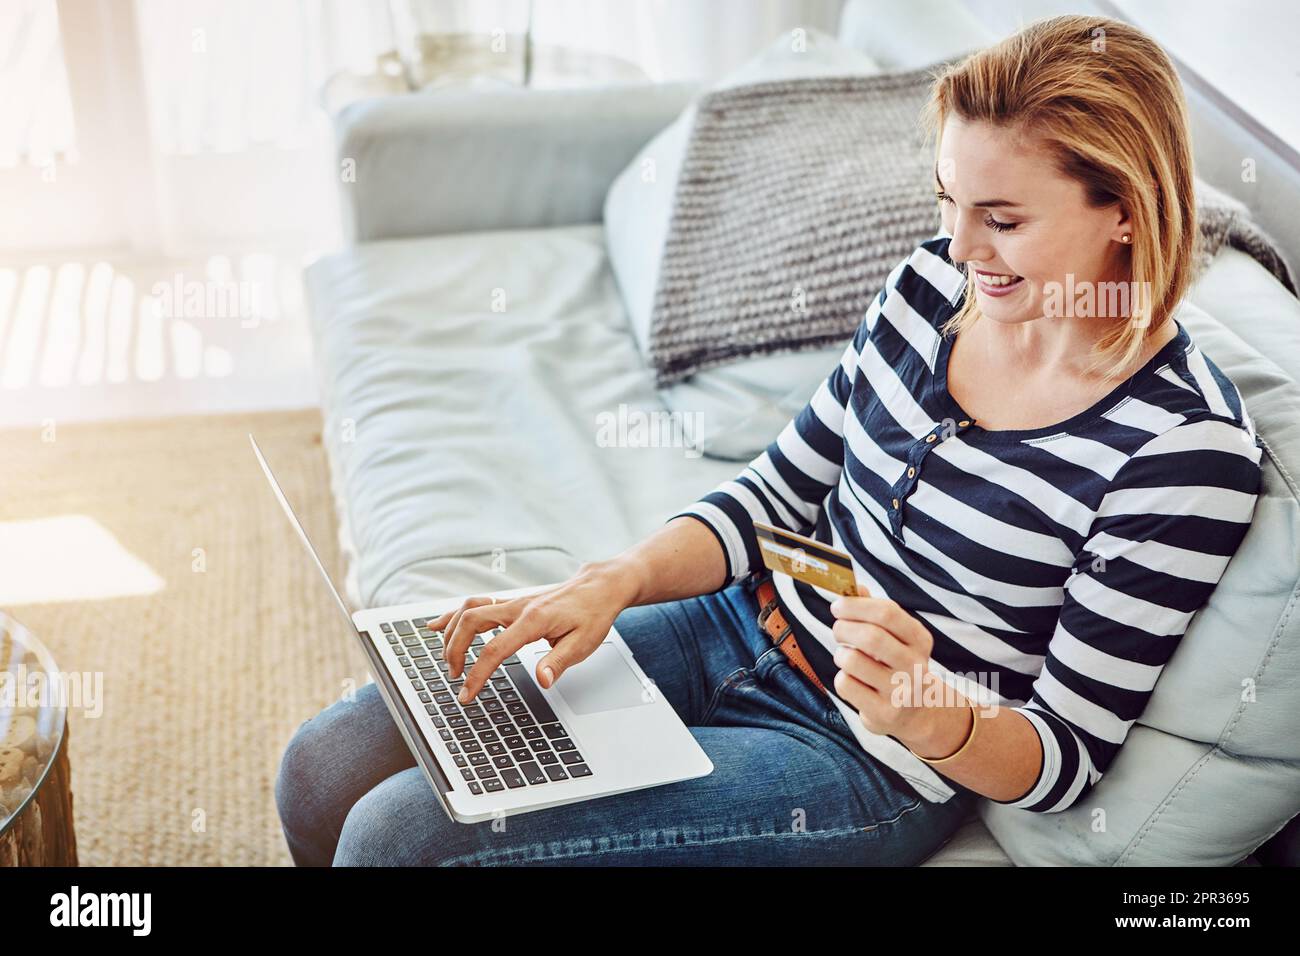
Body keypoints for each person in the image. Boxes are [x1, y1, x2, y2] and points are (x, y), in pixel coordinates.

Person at [275, 14, 1262, 866]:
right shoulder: (930, 288)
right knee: (321, 770)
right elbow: (777, 494)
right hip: (732, 621)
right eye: (948, 202)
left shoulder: (1182, 452)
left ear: (1124, 211)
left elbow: (1063, 758)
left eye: (1000, 219)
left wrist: (937, 711)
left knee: (400, 835)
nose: (960, 249)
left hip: (863, 759)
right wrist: (611, 580)